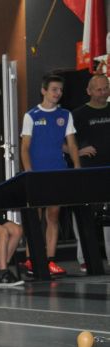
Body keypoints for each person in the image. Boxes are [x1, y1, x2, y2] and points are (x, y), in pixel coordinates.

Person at [19, 73, 80, 277]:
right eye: (54, 89)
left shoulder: (65, 115)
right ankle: (31, 259)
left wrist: (77, 169)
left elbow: (72, 144)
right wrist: (29, 172)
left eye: (60, 90)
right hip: (37, 175)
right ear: (43, 91)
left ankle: (50, 260)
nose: (58, 93)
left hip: (58, 173)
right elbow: (25, 148)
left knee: (53, 216)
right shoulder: (31, 115)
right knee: (35, 219)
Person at [71, 73, 110, 272]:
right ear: (89, 91)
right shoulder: (78, 115)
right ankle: (84, 258)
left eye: (106, 88)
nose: (103, 92)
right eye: (99, 89)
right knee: (84, 214)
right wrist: (78, 151)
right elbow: (64, 143)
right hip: (88, 172)